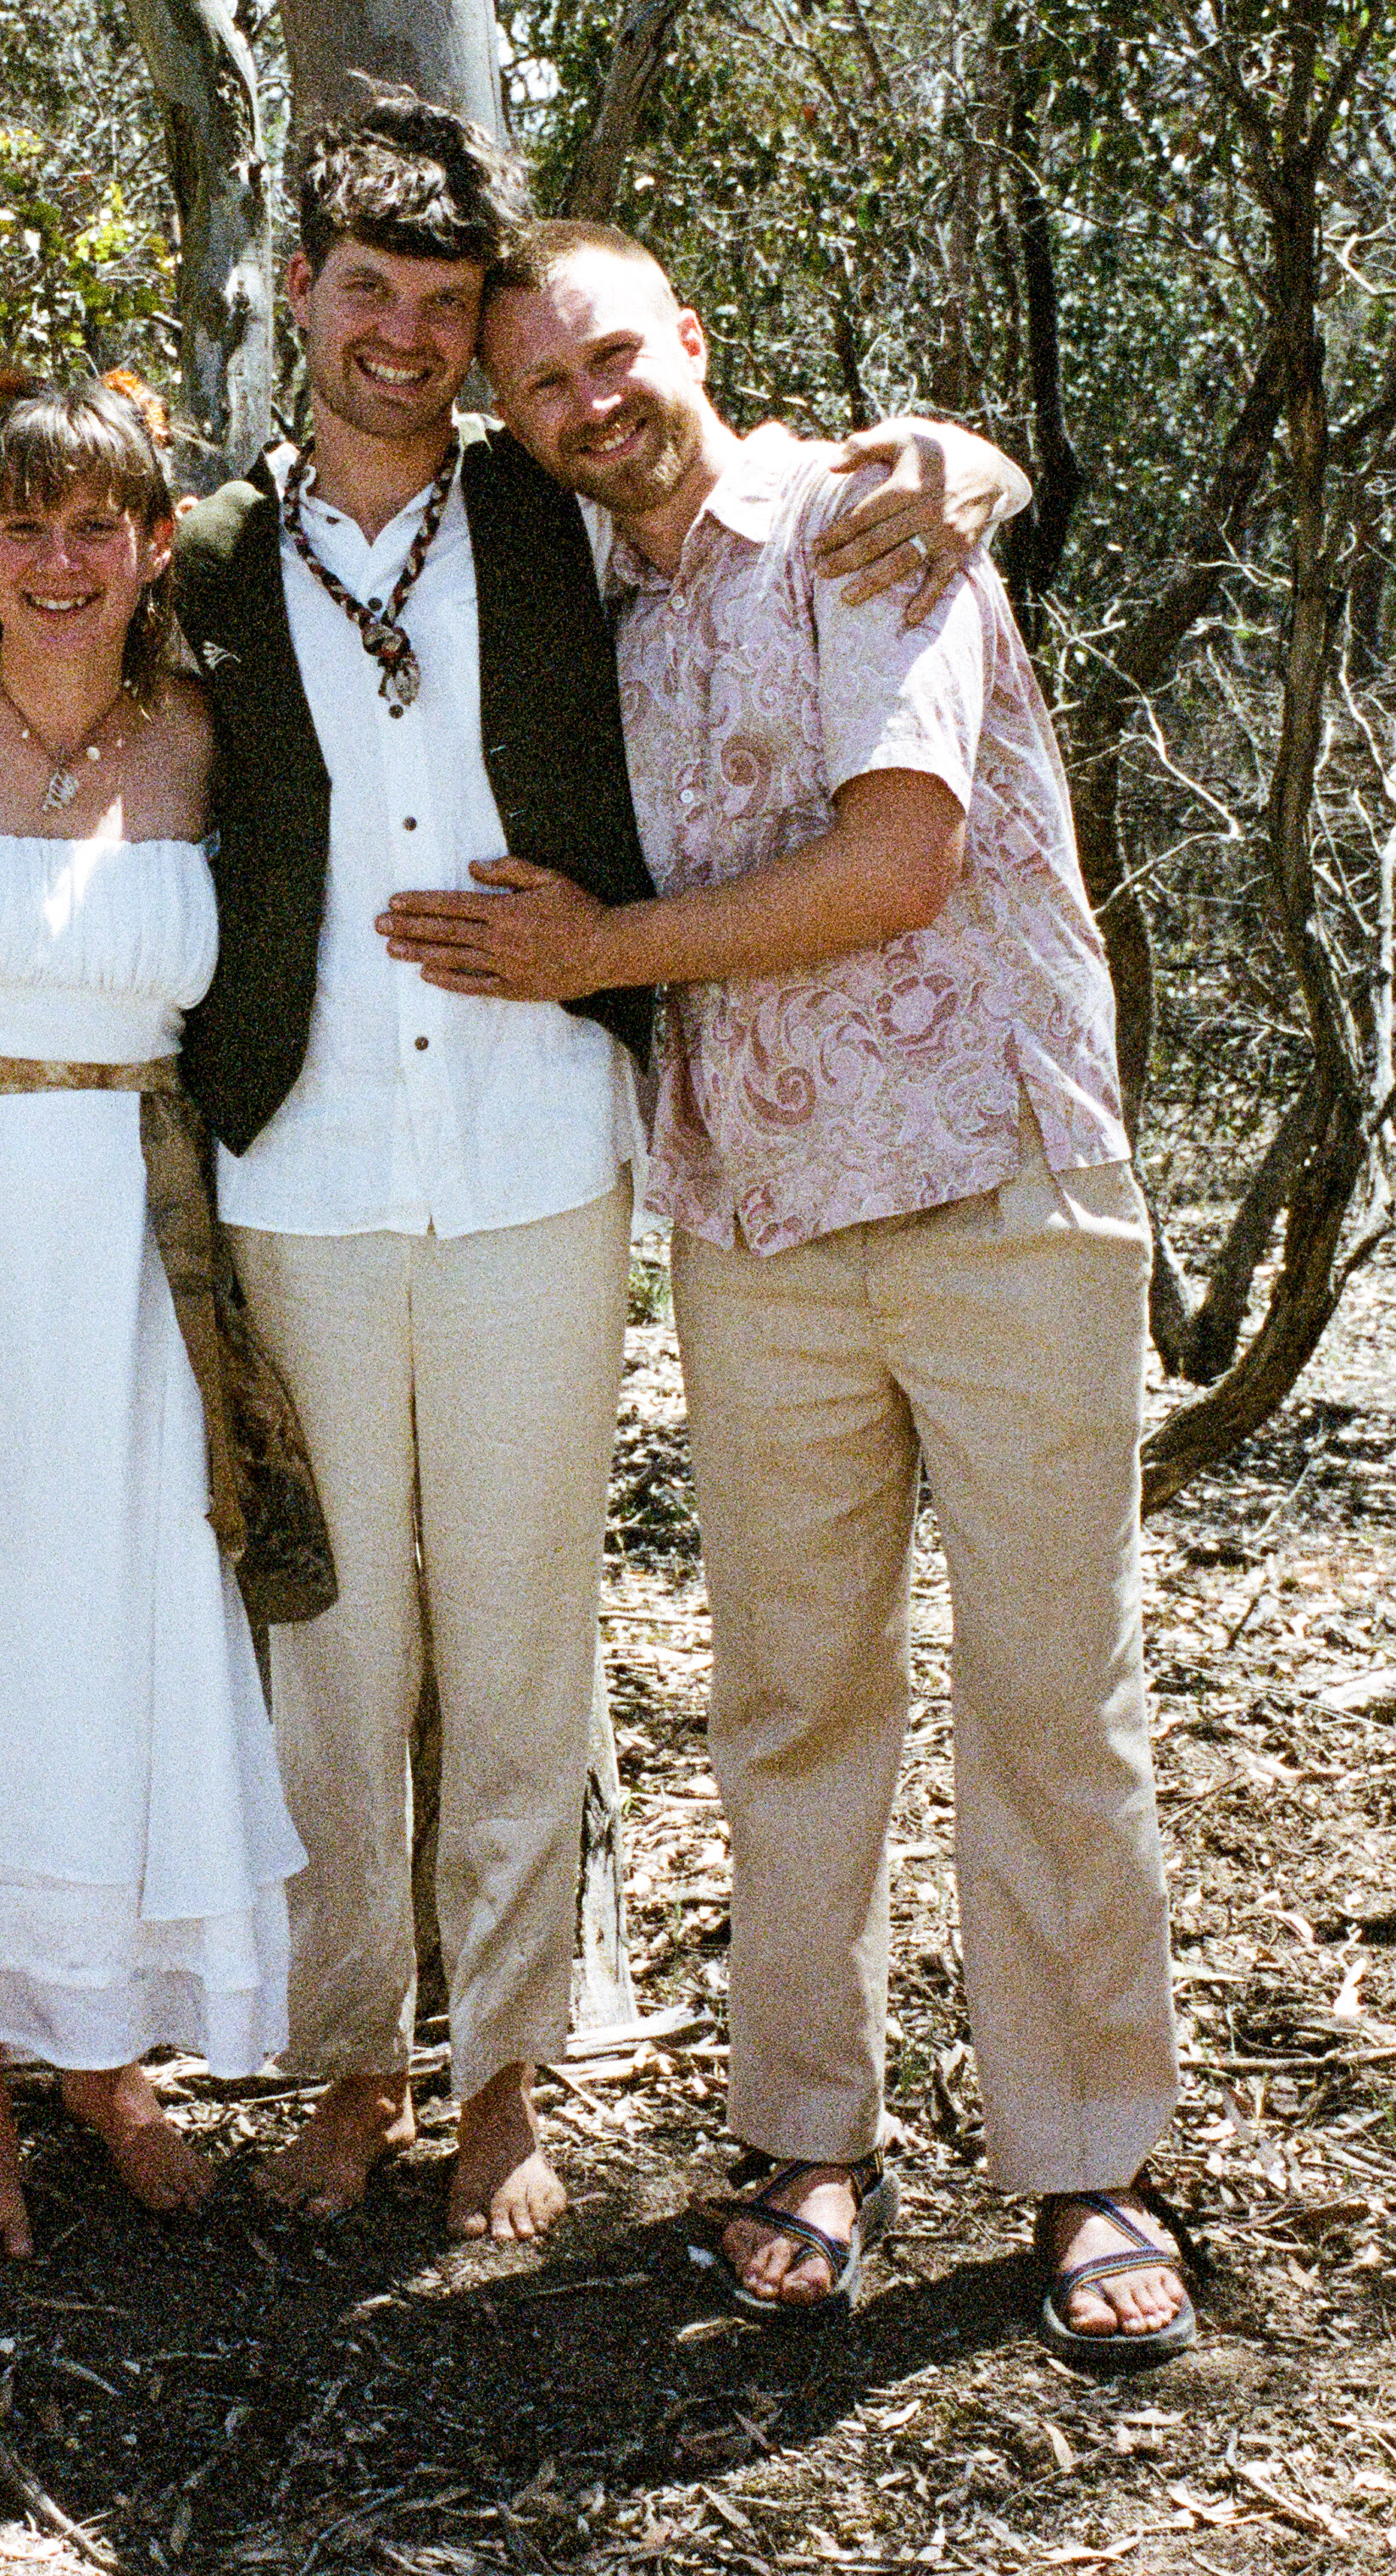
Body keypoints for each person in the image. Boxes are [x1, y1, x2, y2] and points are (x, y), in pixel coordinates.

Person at [174, 87, 1026, 2241]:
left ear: (475, 345)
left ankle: (508, 2079)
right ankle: (350, 2055)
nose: (398, 336)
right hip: (301, 1162)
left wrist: (962, 453)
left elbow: (770, 494)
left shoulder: (549, 529)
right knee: (337, 1641)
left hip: (547, 1148)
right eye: (364, 291)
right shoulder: (199, 556)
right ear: (303, 296)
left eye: (441, 309)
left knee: (531, 1629)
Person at [385, 219, 1193, 2366]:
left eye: (614, 356)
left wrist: (595, 956)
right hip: (757, 1220)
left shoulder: (863, 514)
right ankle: (808, 2139)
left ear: (692, 342)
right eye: (542, 386)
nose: (590, 405)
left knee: (1050, 1696)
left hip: (992, 1178)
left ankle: (1089, 2161)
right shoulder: (602, 613)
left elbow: (899, 857)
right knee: (793, 1703)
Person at [0, 371, 315, 2259]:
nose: (59, 560)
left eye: (98, 523)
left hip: (140, 1252)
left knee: (121, 1630)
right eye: (21, 523)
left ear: (153, 543)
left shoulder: (203, 738)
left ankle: (103, 2051)